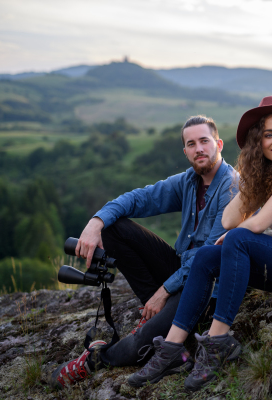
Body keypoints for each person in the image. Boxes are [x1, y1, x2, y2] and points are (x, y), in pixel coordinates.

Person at [127, 96, 272, 390]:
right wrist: (252, 178)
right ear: (258, 141)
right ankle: (171, 350)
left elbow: (252, 225)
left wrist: (234, 235)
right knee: (207, 256)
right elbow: (231, 219)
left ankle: (218, 341)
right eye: (268, 135)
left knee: (240, 239)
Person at [51, 115, 238, 389]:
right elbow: (139, 197)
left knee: (143, 344)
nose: (199, 148)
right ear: (185, 151)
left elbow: (209, 254)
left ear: (218, 144)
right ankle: (156, 313)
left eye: (204, 141)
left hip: (208, 283)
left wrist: (163, 292)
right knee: (113, 227)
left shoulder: (232, 186)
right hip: (181, 268)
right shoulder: (188, 181)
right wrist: (96, 221)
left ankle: (98, 358)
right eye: (191, 144)